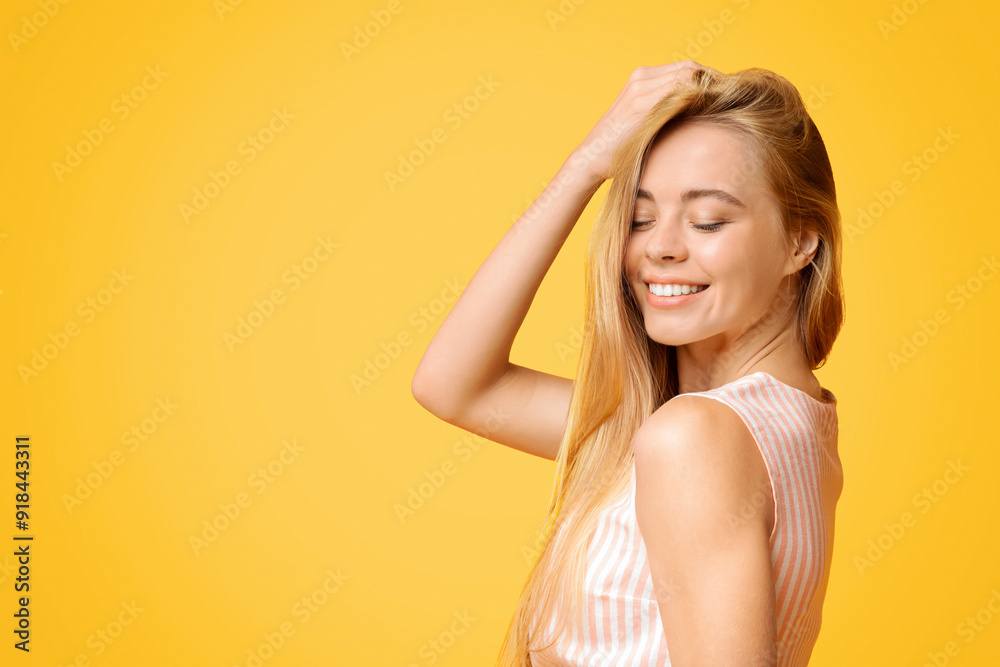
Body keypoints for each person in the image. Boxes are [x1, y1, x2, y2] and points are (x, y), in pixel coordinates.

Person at [411, 60, 845, 667]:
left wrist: (584, 165)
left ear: (800, 242)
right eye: (639, 219)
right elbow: (454, 387)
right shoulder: (772, 423)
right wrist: (588, 165)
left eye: (708, 220)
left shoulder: (695, 438)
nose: (659, 247)